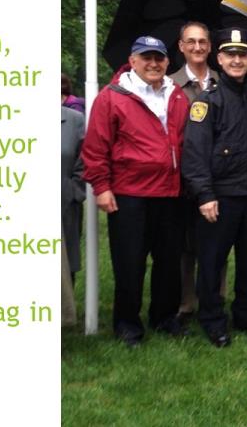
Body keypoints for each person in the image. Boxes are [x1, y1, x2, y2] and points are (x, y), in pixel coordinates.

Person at [81, 35, 189, 347]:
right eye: (147, 58)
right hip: (130, 193)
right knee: (130, 262)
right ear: (133, 61)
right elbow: (95, 147)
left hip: (170, 192)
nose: (153, 64)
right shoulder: (113, 96)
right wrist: (101, 187)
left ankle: (164, 316)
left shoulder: (177, 95)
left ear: (168, 62)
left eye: (159, 58)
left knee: (168, 262)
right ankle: (127, 324)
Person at [182, 28, 247, 348]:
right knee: (213, 262)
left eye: (242, 55)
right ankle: (212, 319)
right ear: (219, 59)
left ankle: (245, 314)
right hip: (220, 196)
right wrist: (205, 195)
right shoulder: (207, 101)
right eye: (230, 54)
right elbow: (195, 153)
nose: (237, 60)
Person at [169, 21, 223, 325]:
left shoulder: (222, 79)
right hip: (181, 176)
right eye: (191, 42)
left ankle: (213, 297)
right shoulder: (169, 83)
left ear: (210, 45)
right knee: (184, 244)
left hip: (217, 175)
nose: (198, 47)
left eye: (203, 41)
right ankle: (185, 300)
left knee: (215, 241)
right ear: (181, 46)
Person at [61, 105, 86, 284]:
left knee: (65, 265)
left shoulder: (74, 119)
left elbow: (84, 160)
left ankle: (64, 310)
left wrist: (72, 191)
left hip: (65, 204)